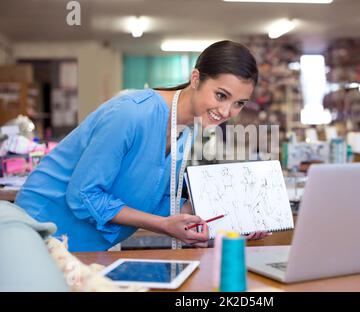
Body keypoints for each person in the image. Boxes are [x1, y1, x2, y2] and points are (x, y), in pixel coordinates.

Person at [15, 40, 267, 252]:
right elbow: (83, 196)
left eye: (239, 103)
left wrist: (231, 220)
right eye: (221, 95)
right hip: (41, 230)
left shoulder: (186, 131)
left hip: (84, 245)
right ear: (195, 78)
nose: (226, 111)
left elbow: (152, 199)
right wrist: (163, 225)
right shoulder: (131, 113)